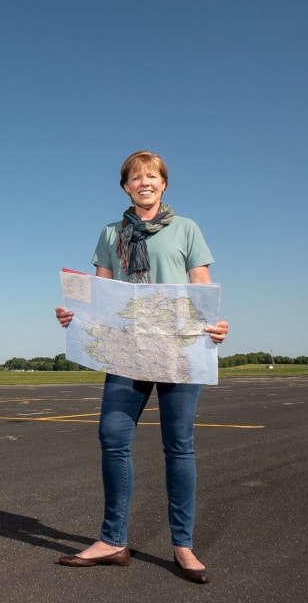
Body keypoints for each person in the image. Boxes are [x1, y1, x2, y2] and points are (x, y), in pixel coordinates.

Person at [54, 150, 229, 583]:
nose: (144, 182)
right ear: (125, 186)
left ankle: (183, 546)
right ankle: (113, 541)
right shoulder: (110, 233)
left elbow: (201, 289)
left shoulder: (186, 229)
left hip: (178, 350)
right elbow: (99, 293)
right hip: (125, 350)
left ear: (164, 184)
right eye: (136, 177)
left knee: (179, 445)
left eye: (152, 176)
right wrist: (74, 315)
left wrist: (215, 327)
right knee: (112, 438)